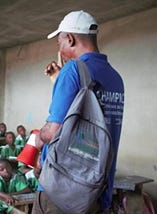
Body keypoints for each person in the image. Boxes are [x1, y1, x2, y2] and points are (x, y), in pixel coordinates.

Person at [33, 10, 125, 213]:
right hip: (97, 189)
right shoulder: (115, 78)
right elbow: (88, 113)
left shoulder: (73, 69)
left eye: (60, 43)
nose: (60, 49)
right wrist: (60, 79)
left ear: (70, 38)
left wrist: (38, 140)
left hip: (62, 191)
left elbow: (54, 131)